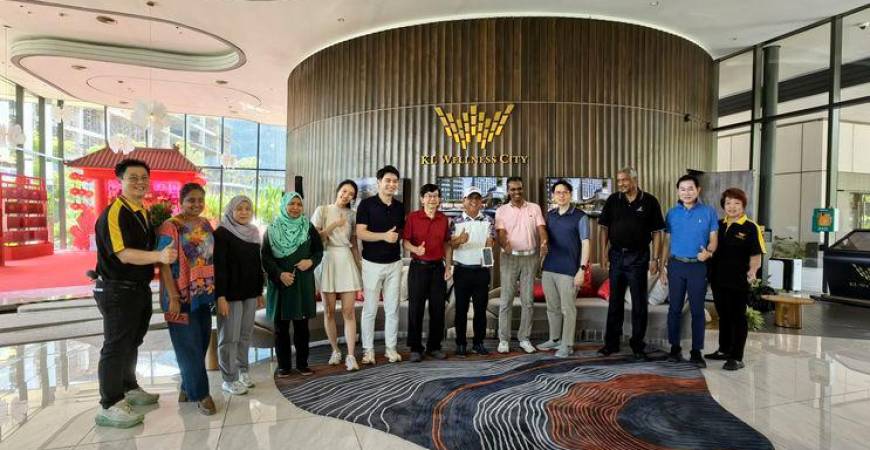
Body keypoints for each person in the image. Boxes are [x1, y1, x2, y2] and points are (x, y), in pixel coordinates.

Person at [93, 159, 177, 428]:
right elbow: (124, 254)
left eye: (144, 177)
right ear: (121, 180)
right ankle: (110, 403)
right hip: (117, 288)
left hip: (138, 288)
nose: (140, 182)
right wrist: (159, 255)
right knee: (116, 345)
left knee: (132, 341)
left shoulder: (141, 210)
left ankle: (129, 387)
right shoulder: (115, 213)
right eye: (133, 178)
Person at [157, 183, 217, 416]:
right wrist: (172, 296)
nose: (196, 204)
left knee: (200, 342)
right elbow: (163, 263)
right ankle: (201, 394)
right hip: (178, 295)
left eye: (200, 200)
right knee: (187, 345)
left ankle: (186, 386)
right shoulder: (169, 227)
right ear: (181, 201)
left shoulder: (205, 224)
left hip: (202, 294)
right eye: (191, 200)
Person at [597, 167, 665, 360]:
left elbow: (657, 232)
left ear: (635, 179)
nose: (621, 184)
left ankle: (637, 346)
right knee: (615, 302)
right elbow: (603, 228)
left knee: (639, 303)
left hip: (639, 258)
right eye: (618, 180)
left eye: (625, 180)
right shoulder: (613, 200)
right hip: (617, 256)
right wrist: (603, 253)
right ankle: (611, 344)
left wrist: (655, 258)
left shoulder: (650, 201)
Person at [262, 192, 323, 377]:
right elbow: (265, 257)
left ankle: (303, 364)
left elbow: (318, 250)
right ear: (284, 205)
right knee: (281, 328)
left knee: (302, 327)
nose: (295, 208)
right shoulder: (272, 229)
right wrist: (280, 274)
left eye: (299, 204)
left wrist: (310, 262)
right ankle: (284, 366)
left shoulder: (307, 227)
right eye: (291, 204)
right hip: (281, 285)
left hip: (302, 283)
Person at [661, 174, 719, 368]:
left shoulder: (709, 212)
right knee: (674, 309)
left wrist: (709, 253)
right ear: (678, 191)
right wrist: (662, 266)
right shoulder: (671, 213)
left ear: (698, 190)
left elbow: (714, 240)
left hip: (698, 266)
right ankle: (674, 348)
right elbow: (666, 242)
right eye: (682, 189)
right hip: (676, 266)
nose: (686, 192)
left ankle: (696, 351)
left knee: (697, 311)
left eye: (690, 189)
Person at [706, 188, 765, 371]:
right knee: (723, 315)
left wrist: (753, 271)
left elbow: (756, 255)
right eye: (728, 203)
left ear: (743, 205)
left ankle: (737, 357)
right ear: (723, 205)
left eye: (736, 203)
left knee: (737, 317)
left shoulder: (750, 227)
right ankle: (724, 350)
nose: (732, 207)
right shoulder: (718, 224)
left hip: (739, 280)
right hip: (718, 278)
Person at [214, 195, 265, 395]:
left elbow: (257, 265)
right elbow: (219, 268)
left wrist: (259, 291)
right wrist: (221, 296)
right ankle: (229, 378)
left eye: (247, 209)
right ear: (230, 210)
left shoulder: (253, 233)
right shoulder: (222, 233)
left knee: (245, 335)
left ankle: (243, 370)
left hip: (250, 292)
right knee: (229, 337)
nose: (244, 212)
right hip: (230, 295)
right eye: (239, 209)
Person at [356, 165, 405, 365]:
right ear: (379, 183)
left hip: (394, 263)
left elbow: (401, 233)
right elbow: (360, 233)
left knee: (393, 308)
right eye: (388, 181)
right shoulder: (366, 205)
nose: (392, 184)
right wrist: (384, 236)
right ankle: (368, 351)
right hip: (371, 263)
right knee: (370, 309)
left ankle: (390, 349)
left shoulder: (400, 206)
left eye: (395, 181)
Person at [311, 180, 363, 371]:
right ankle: (335, 350)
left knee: (349, 312)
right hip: (327, 259)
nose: (346, 195)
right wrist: (334, 224)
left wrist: (360, 267)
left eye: (351, 194)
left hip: (346, 259)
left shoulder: (353, 215)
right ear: (338, 191)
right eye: (344, 191)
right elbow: (316, 238)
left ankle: (350, 355)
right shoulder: (322, 210)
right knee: (329, 311)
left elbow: (355, 245)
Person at [495, 176, 548, 354]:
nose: (516, 192)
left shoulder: (534, 207)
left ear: (523, 189)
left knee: (528, 301)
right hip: (509, 258)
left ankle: (524, 338)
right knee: (506, 300)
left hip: (530, 258)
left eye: (519, 189)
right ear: (508, 191)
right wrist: (505, 244)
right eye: (512, 189)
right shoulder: (501, 210)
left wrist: (544, 242)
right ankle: (504, 340)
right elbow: (500, 232)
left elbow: (541, 228)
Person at [538, 180, 590, 358]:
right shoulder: (550, 215)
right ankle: (554, 339)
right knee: (552, 307)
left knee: (568, 309)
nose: (561, 195)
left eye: (565, 192)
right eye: (558, 192)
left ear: (570, 194)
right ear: (553, 195)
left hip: (569, 271)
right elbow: (546, 240)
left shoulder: (580, 216)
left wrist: (582, 269)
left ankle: (567, 344)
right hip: (549, 268)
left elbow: (586, 243)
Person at [403, 183, 452, 362]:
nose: (433, 199)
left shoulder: (443, 219)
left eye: (436, 196)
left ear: (439, 199)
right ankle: (416, 348)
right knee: (415, 309)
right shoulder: (413, 218)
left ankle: (434, 347)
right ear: (422, 199)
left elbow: (447, 243)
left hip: (438, 268)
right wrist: (416, 249)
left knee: (438, 309)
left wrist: (448, 266)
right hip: (418, 268)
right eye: (429, 196)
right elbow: (405, 242)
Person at [449, 186, 495, 357]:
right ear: (464, 201)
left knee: (480, 309)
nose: (474, 201)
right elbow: (449, 245)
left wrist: (488, 263)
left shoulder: (489, 220)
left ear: (481, 201)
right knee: (460, 309)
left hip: (481, 271)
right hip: (462, 269)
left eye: (477, 198)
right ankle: (461, 343)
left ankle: (478, 342)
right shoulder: (456, 221)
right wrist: (459, 240)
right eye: (470, 198)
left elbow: (490, 243)